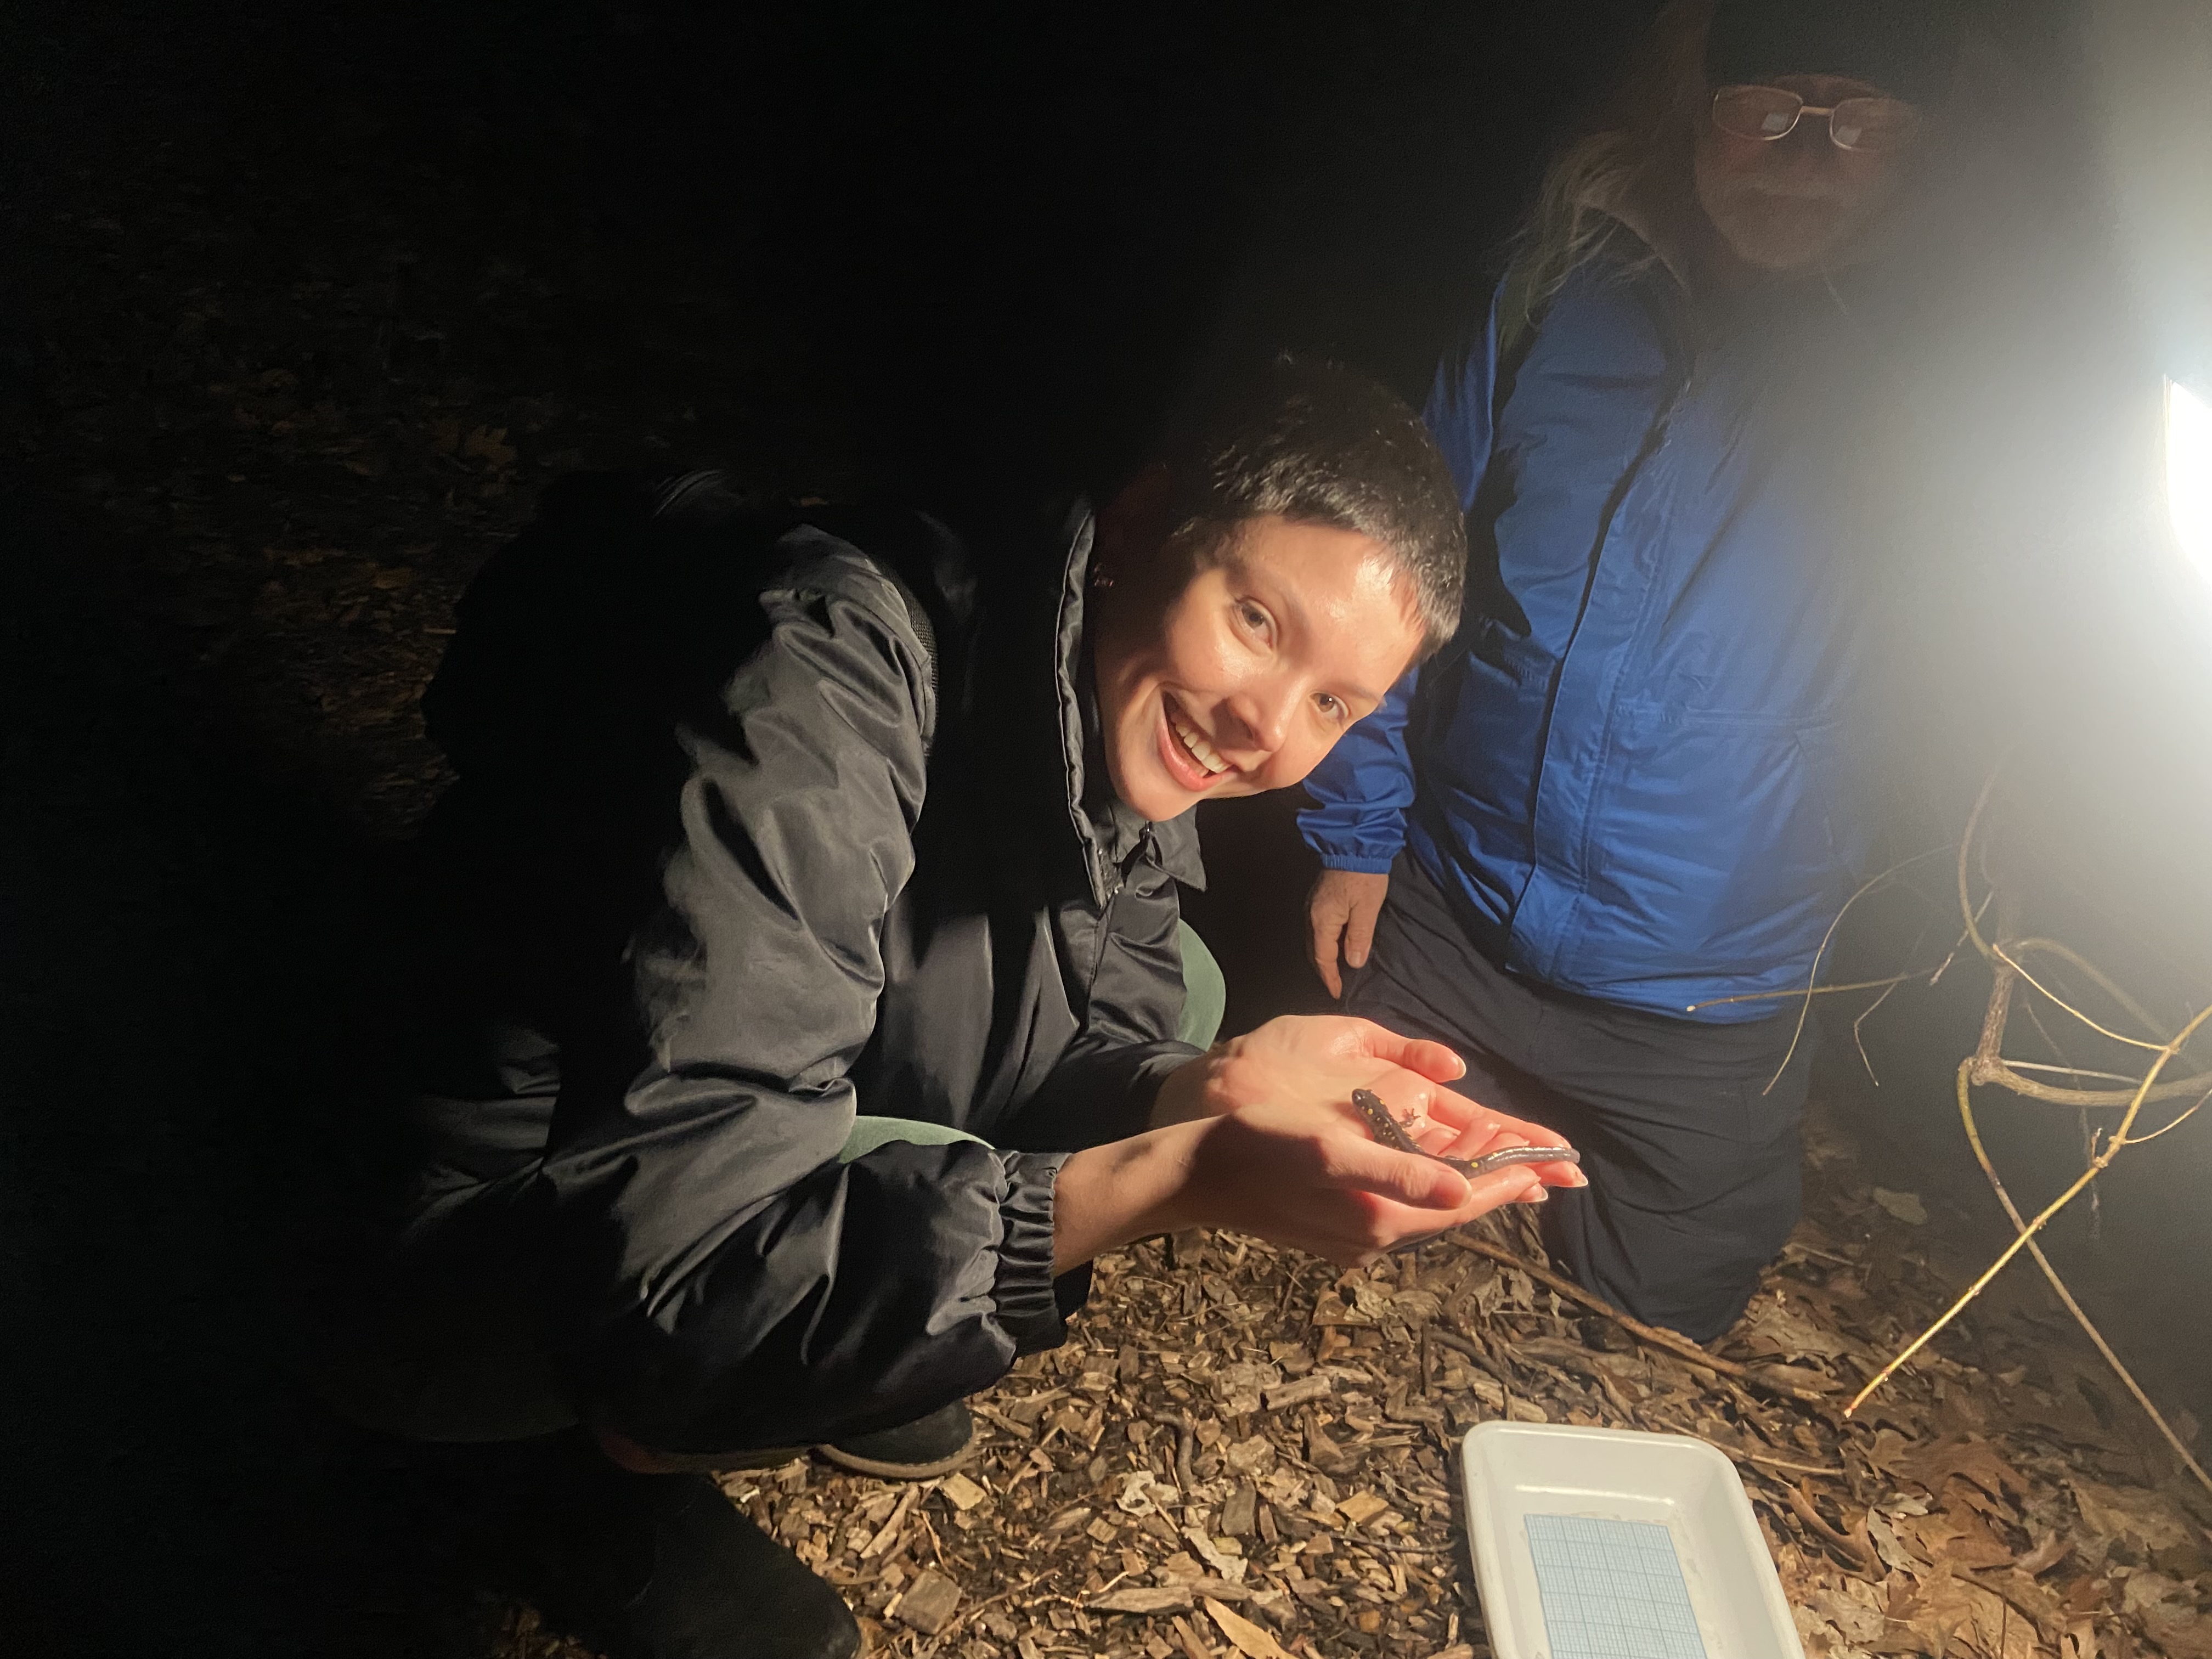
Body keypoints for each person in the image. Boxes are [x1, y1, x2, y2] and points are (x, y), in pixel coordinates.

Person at [318, 357, 1586, 1659]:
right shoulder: (823, 673)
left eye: (1334, 703)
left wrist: (1205, 1091)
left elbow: (1115, 999)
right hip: (457, 1235)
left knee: (1193, 1008)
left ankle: (823, 1338)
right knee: (748, 1303)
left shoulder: (1093, 671)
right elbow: (683, 1263)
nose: (1263, 727)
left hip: (692, 1110)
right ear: (1146, 527)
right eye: (1258, 622)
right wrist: (1171, 1175)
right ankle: (567, 1479)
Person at [1303, 0, 1959, 1344]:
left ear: (1922, 145)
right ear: (1694, 105)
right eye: (1764, 108)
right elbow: (1392, 552)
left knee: (1654, 1332)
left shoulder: (1948, 367)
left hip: (1712, 995)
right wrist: (1356, 836)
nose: (1802, 155)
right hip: (1452, 917)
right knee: (1329, 1243)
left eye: (1855, 120)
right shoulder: (1558, 288)